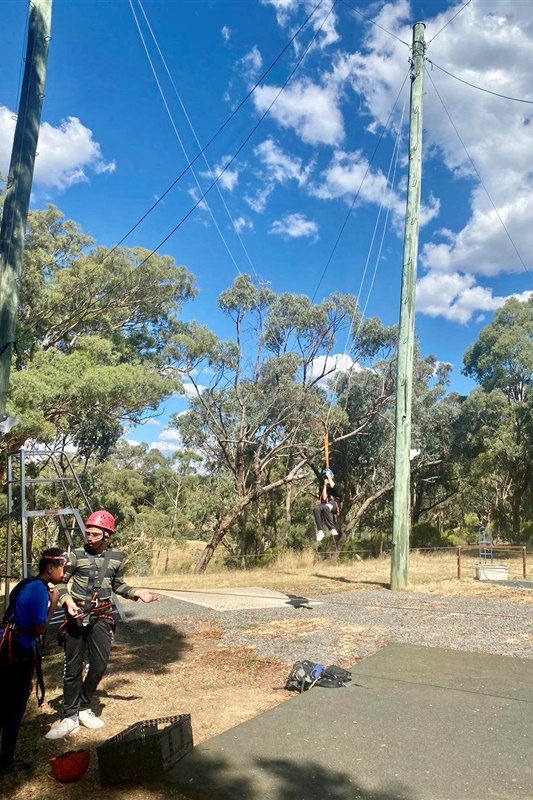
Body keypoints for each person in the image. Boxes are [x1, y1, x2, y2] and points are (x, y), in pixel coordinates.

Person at [45, 510, 159, 740]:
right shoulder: (75, 555)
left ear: (107, 536)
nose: (89, 537)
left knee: (99, 665)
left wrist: (137, 593)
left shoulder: (116, 558)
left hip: (102, 617)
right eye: (87, 533)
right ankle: (69, 716)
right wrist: (67, 602)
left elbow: (118, 585)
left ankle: (84, 707)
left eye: (94, 534)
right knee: (73, 667)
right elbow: (59, 583)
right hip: (76, 616)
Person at [0, 548, 67, 775]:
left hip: (5, 643)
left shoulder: (26, 583)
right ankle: (6, 760)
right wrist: (54, 605)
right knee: (14, 706)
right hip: (17, 651)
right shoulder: (39, 591)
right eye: (62, 567)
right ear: (50, 568)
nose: (65, 572)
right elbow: (39, 628)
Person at [313, 468, 342, 542]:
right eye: (324, 477)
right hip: (325, 503)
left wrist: (329, 476)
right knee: (316, 508)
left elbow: (333, 487)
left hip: (335, 503)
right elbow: (324, 497)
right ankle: (320, 531)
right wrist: (325, 485)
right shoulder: (323, 487)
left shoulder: (337, 485)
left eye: (327, 477)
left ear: (332, 476)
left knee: (327, 507)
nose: (326, 478)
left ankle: (332, 528)